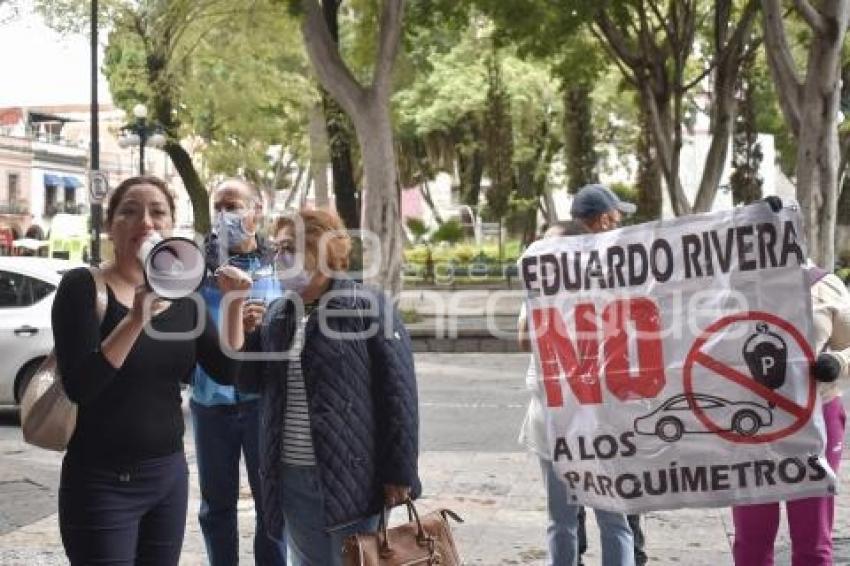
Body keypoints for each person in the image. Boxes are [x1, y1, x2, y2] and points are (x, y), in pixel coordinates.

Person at [52, 175, 251, 565]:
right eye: (129, 211)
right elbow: (81, 386)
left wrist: (234, 307)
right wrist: (135, 320)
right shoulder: (82, 287)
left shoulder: (185, 297)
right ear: (110, 227)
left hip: (168, 478)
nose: (146, 222)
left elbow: (228, 372)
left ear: (171, 226)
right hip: (101, 481)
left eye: (158, 212)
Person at [239, 209, 421, 565]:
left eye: (289, 247)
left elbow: (398, 395)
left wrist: (400, 473)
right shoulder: (278, 314)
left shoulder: (367, 307)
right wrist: (246, 335)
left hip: (352, 477)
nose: (279, 258)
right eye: (277, 249)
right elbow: (250, 385)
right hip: (290, 476)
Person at [518, 215, 635, 566]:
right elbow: (525, 341)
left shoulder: (609, 293)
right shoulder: (541, 294)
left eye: (555, 248)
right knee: (562, 521)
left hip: (603, 422)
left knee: (614, 518)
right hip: (553, 422)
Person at [732, 248, 850, 563]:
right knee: (751, 538)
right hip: (752, 418)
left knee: (812, 537)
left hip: (816, 416)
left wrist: (837, 361)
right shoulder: (729, 287)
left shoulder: (825, 286)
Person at [191, 178, 287, 565]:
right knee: (216, 507)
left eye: (233, 206)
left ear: (256, 211)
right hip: (210, 401)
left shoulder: (280, 263)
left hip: (262, 402)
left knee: (271, 508)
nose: (224, 215)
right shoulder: (196, 266)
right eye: (218, 207)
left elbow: (299, 326)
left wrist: (264, 327)